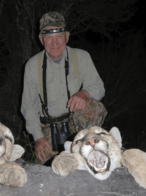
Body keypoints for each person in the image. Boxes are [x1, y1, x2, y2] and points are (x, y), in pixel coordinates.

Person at [21, 11, 106, 164]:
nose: (55, 43)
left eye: (59, 36)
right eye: (48, 37)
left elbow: (98, 87)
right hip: (48, 126)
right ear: (41, 39)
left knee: (91, 105)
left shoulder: (82, 57)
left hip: (76, 122)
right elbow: (29, 107)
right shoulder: (32, 66)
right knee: (51, 169)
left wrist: (84, 93)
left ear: (67, 36)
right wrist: (38, 137)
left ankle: (90, 147)